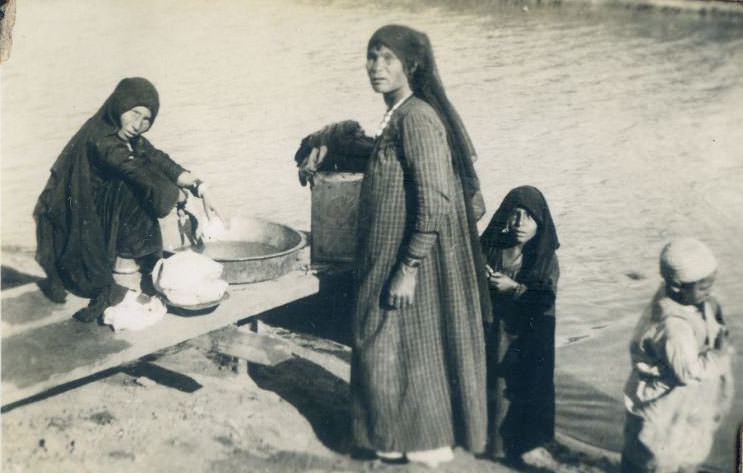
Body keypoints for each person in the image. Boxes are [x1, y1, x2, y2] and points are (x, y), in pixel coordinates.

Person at [295, 24, 491, 467]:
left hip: (403, 258)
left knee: (389, 343)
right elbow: (380, 157)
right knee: (402, 348)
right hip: (388, 253)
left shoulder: (417, 117)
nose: (376, 67)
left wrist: (410, 267)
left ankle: (413, 442)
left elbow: (437, 195)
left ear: (412, 65)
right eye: (371, 57)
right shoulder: (398, 114)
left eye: (387, 58)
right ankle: (400, 440)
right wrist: (327, 140)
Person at [33, 77, 219, 322]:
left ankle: (131, 262)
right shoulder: (100, 137)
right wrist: (178, 198)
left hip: (95, 215)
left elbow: (156, 158)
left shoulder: (121, 133)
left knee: (146, 180)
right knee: (134, 186)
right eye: (134, 113)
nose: (137, 124)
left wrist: (199, 187)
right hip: (75, 229)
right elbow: (135, 171)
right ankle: (128, 267)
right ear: (119, 106)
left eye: (146, 119)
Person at [621, 237, 734, 473]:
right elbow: (687, 372)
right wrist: (717, 355)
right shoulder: (674, 327)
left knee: (674, 448)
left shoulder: (676, 294)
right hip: (664, 400)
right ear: (676, 286)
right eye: (704, 288)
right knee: (656, 456)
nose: (710, 292)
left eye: (711, 284)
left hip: (674, 402)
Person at [479, 185, 560, 467]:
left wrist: (513, 288)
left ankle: (518, 444)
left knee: (516, 388)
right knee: (491, 384)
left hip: (524, 335)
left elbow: (544, 299)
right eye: (514, 215)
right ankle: (487, 442)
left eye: (528, 216)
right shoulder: (491, 247)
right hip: (493, 330)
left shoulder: (545, 257)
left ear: (540, 222)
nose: (519, 223)